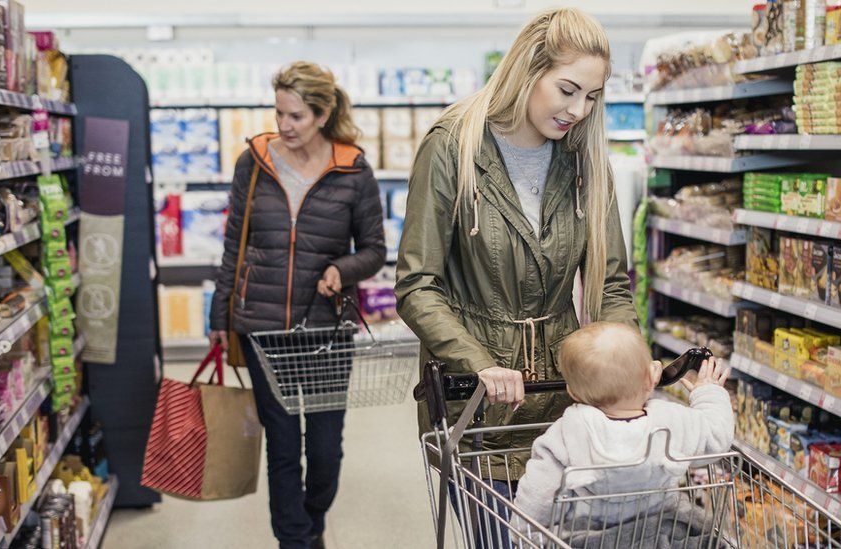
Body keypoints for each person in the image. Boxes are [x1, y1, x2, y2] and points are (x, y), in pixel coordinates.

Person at [396, 6, 637, 496]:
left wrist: (630, 359)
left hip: (566, 401)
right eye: (567, 90)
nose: (578, 110)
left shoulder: (586, 160)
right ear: (529, 69)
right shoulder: (453, 146)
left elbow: (610, 284)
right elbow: (418, 284)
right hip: (479, 408)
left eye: (592, 96)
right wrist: (478, 363)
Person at [208, 61, 385, 549]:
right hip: (260, 325)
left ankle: (312, 523)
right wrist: (220, 315)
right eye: (280, 113)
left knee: (326, 449)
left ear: (324, 113)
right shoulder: (255, 161)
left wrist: (340, 271)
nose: (284, 126)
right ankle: (296, 541)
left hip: (325, 331)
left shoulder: (352, 169)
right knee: (283, 449)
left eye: (296, 116)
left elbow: (374, 249)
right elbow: (233, 246)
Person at [513, 322, 734, 545]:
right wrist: (708, 392)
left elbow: (539, 496)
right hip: (661, 535)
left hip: (591, 541)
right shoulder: (671, 420)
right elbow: (716, 437)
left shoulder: (566, 431)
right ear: (651, 379)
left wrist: (523, 534)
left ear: (572, 391)